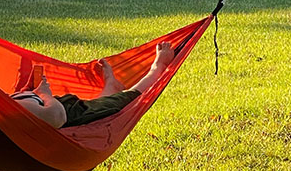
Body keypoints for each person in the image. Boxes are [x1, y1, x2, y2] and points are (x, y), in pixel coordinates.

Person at [10, 41, 176, 128]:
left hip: (63, 105)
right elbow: (56, 117)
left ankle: (110, 89)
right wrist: (43, 93)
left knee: (90, 106)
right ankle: (157, 69)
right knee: (125, 100)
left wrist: (27, 91)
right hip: (66, 115)